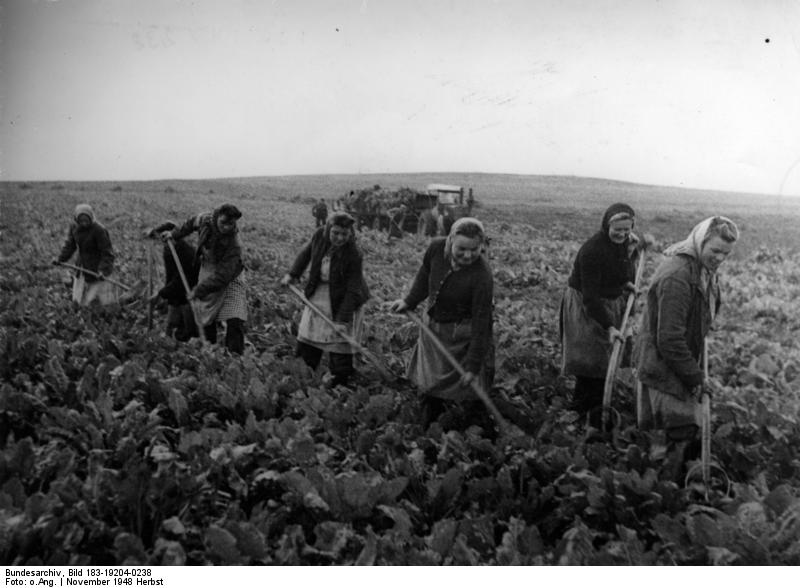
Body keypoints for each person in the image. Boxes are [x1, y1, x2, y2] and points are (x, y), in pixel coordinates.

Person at [633, 216, 739, 476]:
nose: (720, 258)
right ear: (700, 241)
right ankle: (664, 494)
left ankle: (674, 486)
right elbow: (669, 339)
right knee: (675, 431)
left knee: (683, 431)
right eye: (715, 251)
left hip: (678, 359)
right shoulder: (678, 276)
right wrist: (695, 378)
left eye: (726, 253)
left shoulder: (700, 268)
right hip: (663, 363)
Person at [389, 217, 494, 426]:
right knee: (433, 378)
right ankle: (431, 413)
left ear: (481, 246)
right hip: (434, 326)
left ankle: (474, 419)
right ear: (450, 241)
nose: (468, 255)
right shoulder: (436, 248)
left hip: (463, 333)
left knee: (470, 387)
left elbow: (482, 323)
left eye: (474, 250)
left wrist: (473, 366)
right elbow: (425, 275)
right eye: (462, 248)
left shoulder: (482, 276)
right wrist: (409, 301)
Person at [559, 203, 641, 424]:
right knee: (590, 359)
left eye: (627, 229)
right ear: (607, 225)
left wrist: (626, 283)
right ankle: (582, 410)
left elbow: (616, 269)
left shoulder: (623, 244)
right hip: (587, 305)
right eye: (618, 229)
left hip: (608, 302)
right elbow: (590, 298)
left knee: (603, 359)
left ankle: (592, 408)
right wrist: (611, 326)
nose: (622, 234)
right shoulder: (592, 250)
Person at [281, 212, 370, 387]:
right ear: (328, 229)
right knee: (309, 336)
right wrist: (292, 274)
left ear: (350, 233)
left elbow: (353, 289)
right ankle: (304, 376)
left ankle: (340, 385)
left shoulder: (354, 253)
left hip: (345, 300)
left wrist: (342, 320)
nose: (340, 238)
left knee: (339, 342)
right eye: (335, 233)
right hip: (319, 293)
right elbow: (305, 254)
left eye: (345, 234)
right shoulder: (319, 236)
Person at [164, 204, 247, 354]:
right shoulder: (204, 219)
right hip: (208, 266)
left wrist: (198, 290)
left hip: (231, 274)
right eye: (223, 223)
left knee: (235, 316)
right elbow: (188, 224)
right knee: (205, 312)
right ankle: (209, 349)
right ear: (216, 217)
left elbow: (222, 277)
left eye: (231, 224)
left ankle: (235, 356)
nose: (227, 227)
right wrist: (174, 234)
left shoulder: (235, 245)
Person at [53, 203, 119, 306]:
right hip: (82, 265)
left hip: (97, 266)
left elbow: (107, 253)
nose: (84, 223)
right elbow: (70, 245)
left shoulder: (99, 230)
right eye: (81, 221)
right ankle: (80, 308)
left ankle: (101, 311)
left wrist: (103, 270)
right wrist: (60, 259)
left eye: (86, 220)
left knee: (100, 299)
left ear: (91, 218)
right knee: (79, 297)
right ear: (77, 220)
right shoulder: (75, 227)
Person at [145, 221, 199, 341]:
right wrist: (165, 296)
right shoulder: (169, 249)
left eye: (163, 238)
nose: (161, 242)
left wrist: (161, 294)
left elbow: (181, 281)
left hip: (190, 294)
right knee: (171, 327)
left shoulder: (186, 253)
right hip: (176, 295)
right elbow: (170, 276)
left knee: (190, 331)